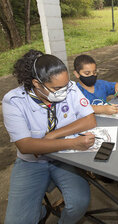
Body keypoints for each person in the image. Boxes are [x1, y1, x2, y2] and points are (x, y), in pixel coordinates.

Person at [3, 49, 97, 224]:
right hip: (31, 162)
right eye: (57, 88)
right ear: (37, 84)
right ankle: (40, 211)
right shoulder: (14, 101)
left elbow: (90, 120)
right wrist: (73, 143)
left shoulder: (70, 88)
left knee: (79, 203)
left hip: (63, 159)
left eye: (66, 85)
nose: (64, 91)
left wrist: (52, 136)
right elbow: (26, 146)